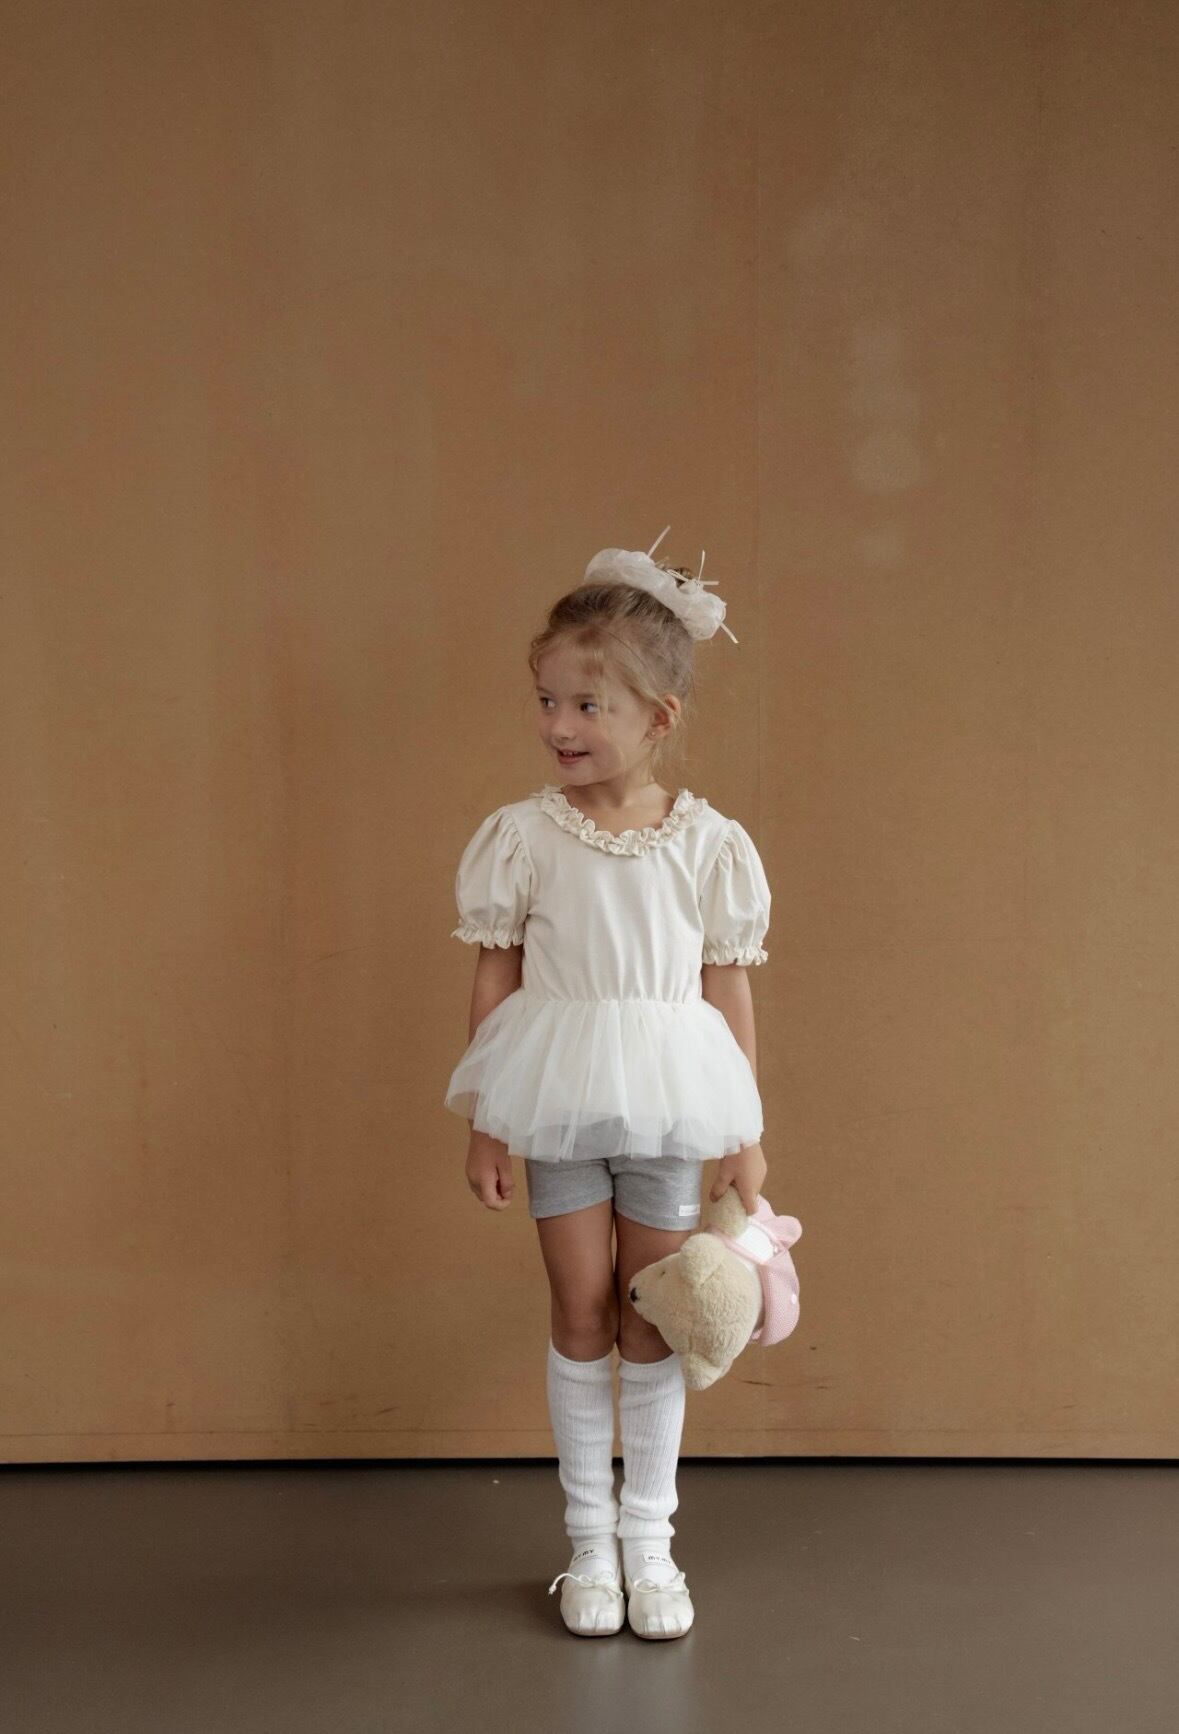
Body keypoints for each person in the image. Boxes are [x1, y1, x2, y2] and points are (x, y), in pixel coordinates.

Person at [442, 531, 771, 1641]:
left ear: (657, 718)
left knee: (653, 1314)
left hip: (671, 1101)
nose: (560, 725)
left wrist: (745, 1135)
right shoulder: (523, 837)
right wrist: (487, 1123)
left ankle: (649, 1540)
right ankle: (588, 1539)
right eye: (547, 701)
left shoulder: (706, 844)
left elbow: (726, 986)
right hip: (557, 1095)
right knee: (579, 1306)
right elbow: (497, 975)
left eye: (588, 706)